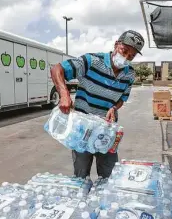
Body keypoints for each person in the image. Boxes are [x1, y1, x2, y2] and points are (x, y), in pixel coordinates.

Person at [50, 30, 145, 178]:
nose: (126, 58)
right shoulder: (92, 61)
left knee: (109, 176)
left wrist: (114, 107)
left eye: (131, 56)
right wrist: (64, 94)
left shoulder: (129, 74)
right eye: (124, 51)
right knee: (81, 175)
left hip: (107, 131)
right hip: (82, 131)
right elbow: (57, 69)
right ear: (116, 45)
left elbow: (122, 98)